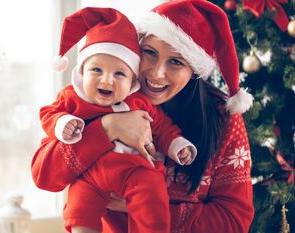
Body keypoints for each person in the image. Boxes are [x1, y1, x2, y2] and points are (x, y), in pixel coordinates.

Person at [32, 1, 255, 232]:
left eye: (176, 62)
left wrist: (144, 208)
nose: (156, 73)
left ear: (193, 71)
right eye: (150, 52)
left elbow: (233, 221)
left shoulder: (222, 116)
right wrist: (107, 128)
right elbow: (45, 175)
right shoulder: (94, 97)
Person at [40, 7, 197, 233]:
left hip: (134, 171)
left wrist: (178, 145)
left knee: (151, 192)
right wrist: (63, 123)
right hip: (91, 175)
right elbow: (49, 114)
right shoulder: (71, 97)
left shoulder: (139, 102)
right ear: (82, 71)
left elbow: (163, 128)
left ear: (132, 80)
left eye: (119, 74)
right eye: (96, 70)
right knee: (79, 202)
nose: (107, 80)